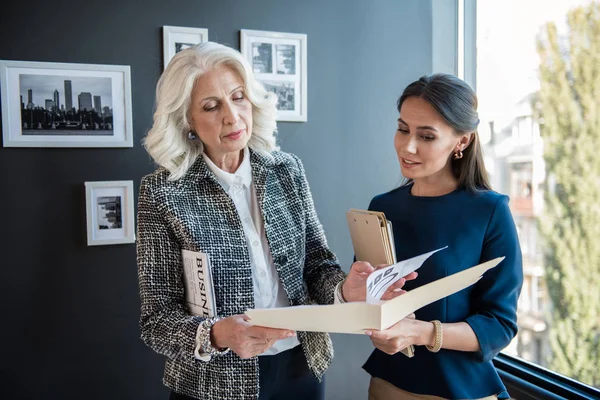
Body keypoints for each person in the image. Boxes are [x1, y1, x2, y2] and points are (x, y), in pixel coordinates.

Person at [136, 42, 408, 400]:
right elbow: (157, 320)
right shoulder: (162, 192)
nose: (232, 117)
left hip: (301, 367)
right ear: (187, 119)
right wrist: (218, 334)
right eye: (211, 106)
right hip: (214, 382)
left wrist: (347, 291)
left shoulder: (286, 170)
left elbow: (317, 265)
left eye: (238, 97)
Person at [362, 73, 524, 400]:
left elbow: (499, 325)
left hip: (459, 391)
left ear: (461, 142)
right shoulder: (381, 208)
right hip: (386, 386)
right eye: (403, 129)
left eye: (427, 136)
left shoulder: (490, 212)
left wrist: (421, 333)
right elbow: (368, 300)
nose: (408, 146)